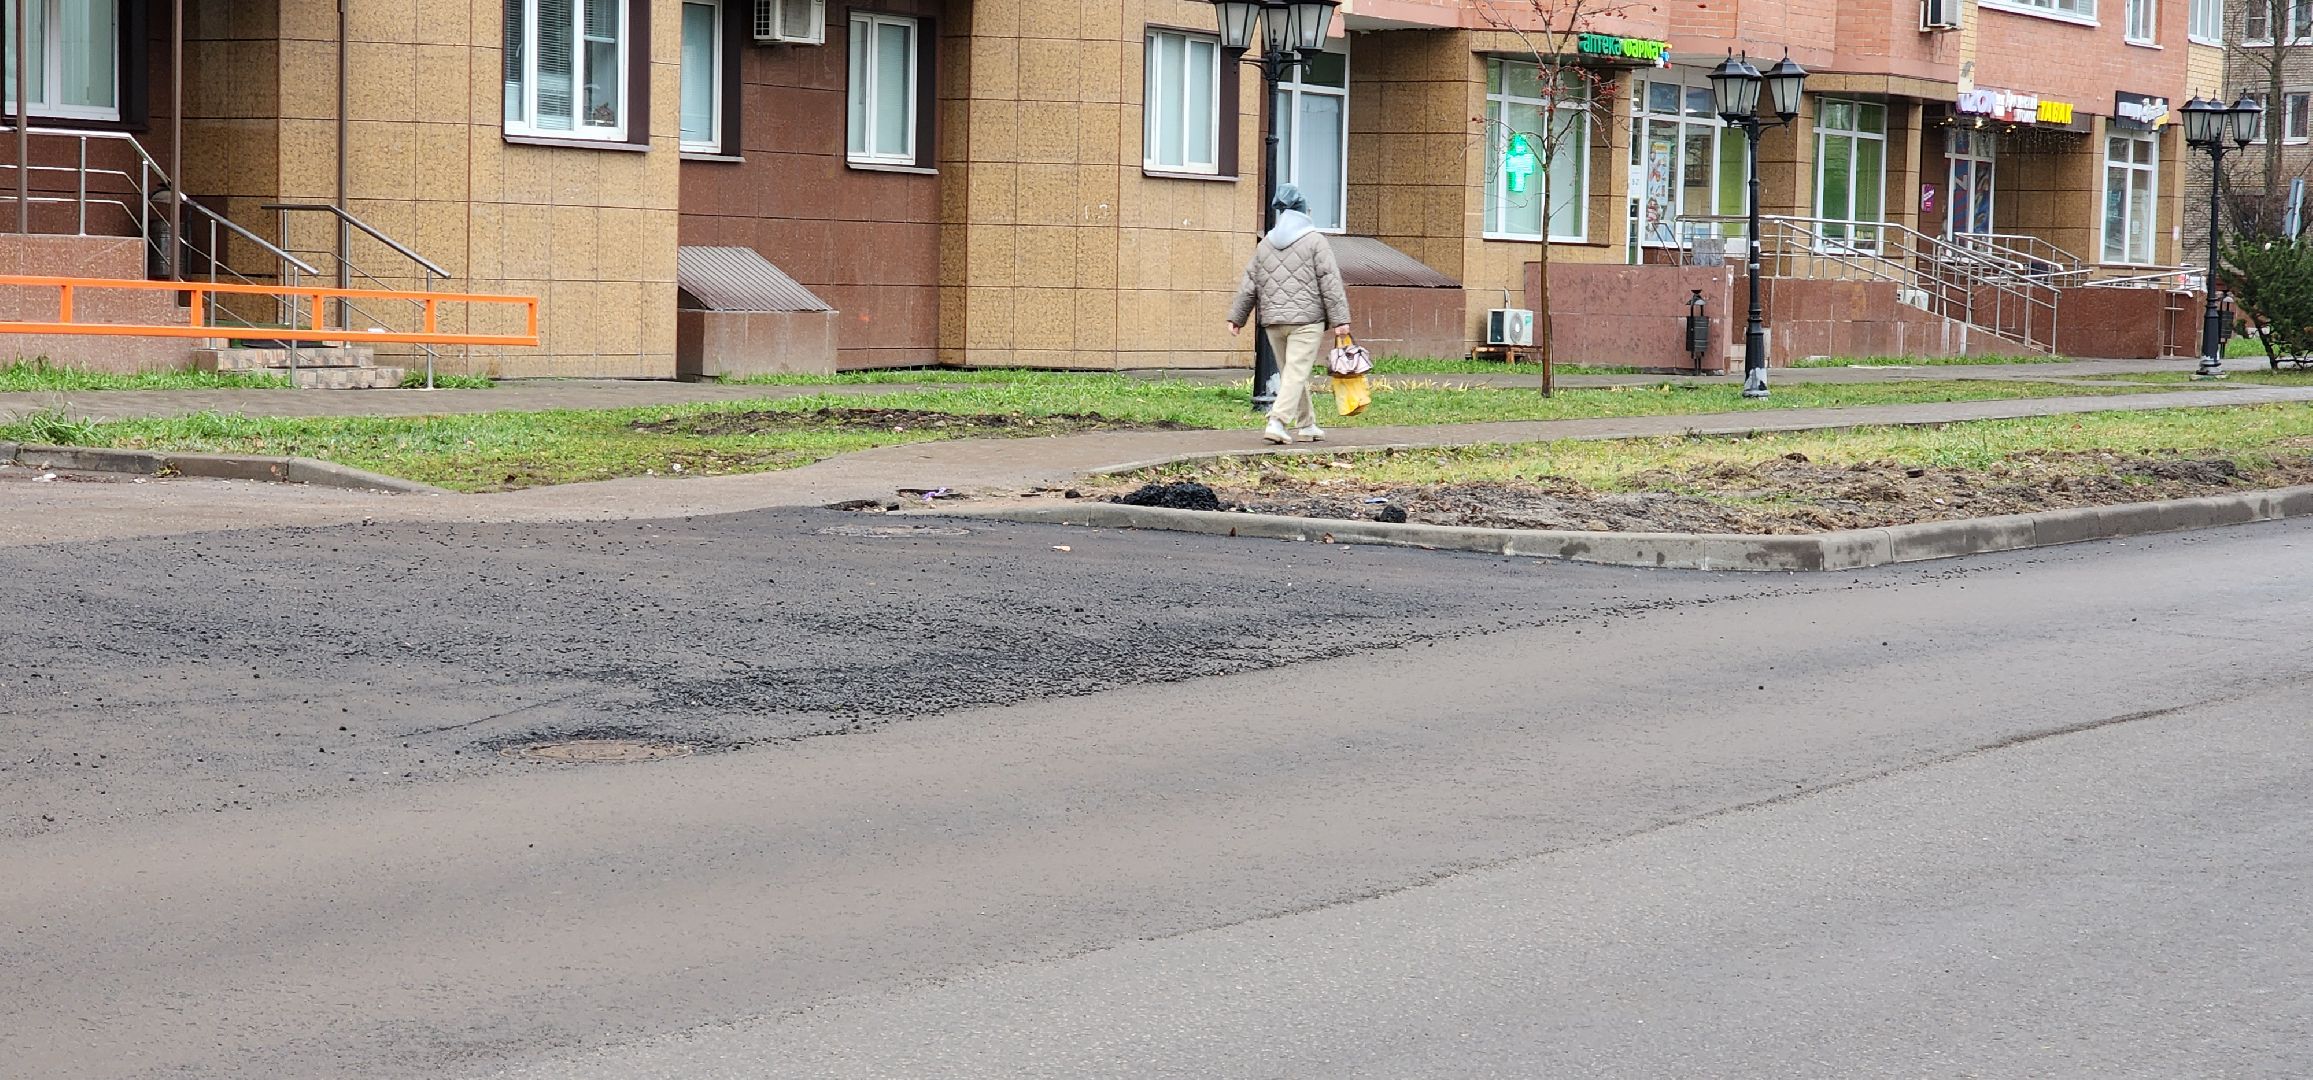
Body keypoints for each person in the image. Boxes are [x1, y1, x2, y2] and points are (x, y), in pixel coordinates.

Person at [1226, 183, 1353, 445]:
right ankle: (1277, 421)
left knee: (1292, 374)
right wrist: (1340, 320)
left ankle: (1307, 425)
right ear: (1304, 212)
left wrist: (1237, 317)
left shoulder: (1266, 244)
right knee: (1295, 373)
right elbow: (1329, 281)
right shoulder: (1315, 241)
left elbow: (1251, 282)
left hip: (1274, 321)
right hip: (1306, 320)